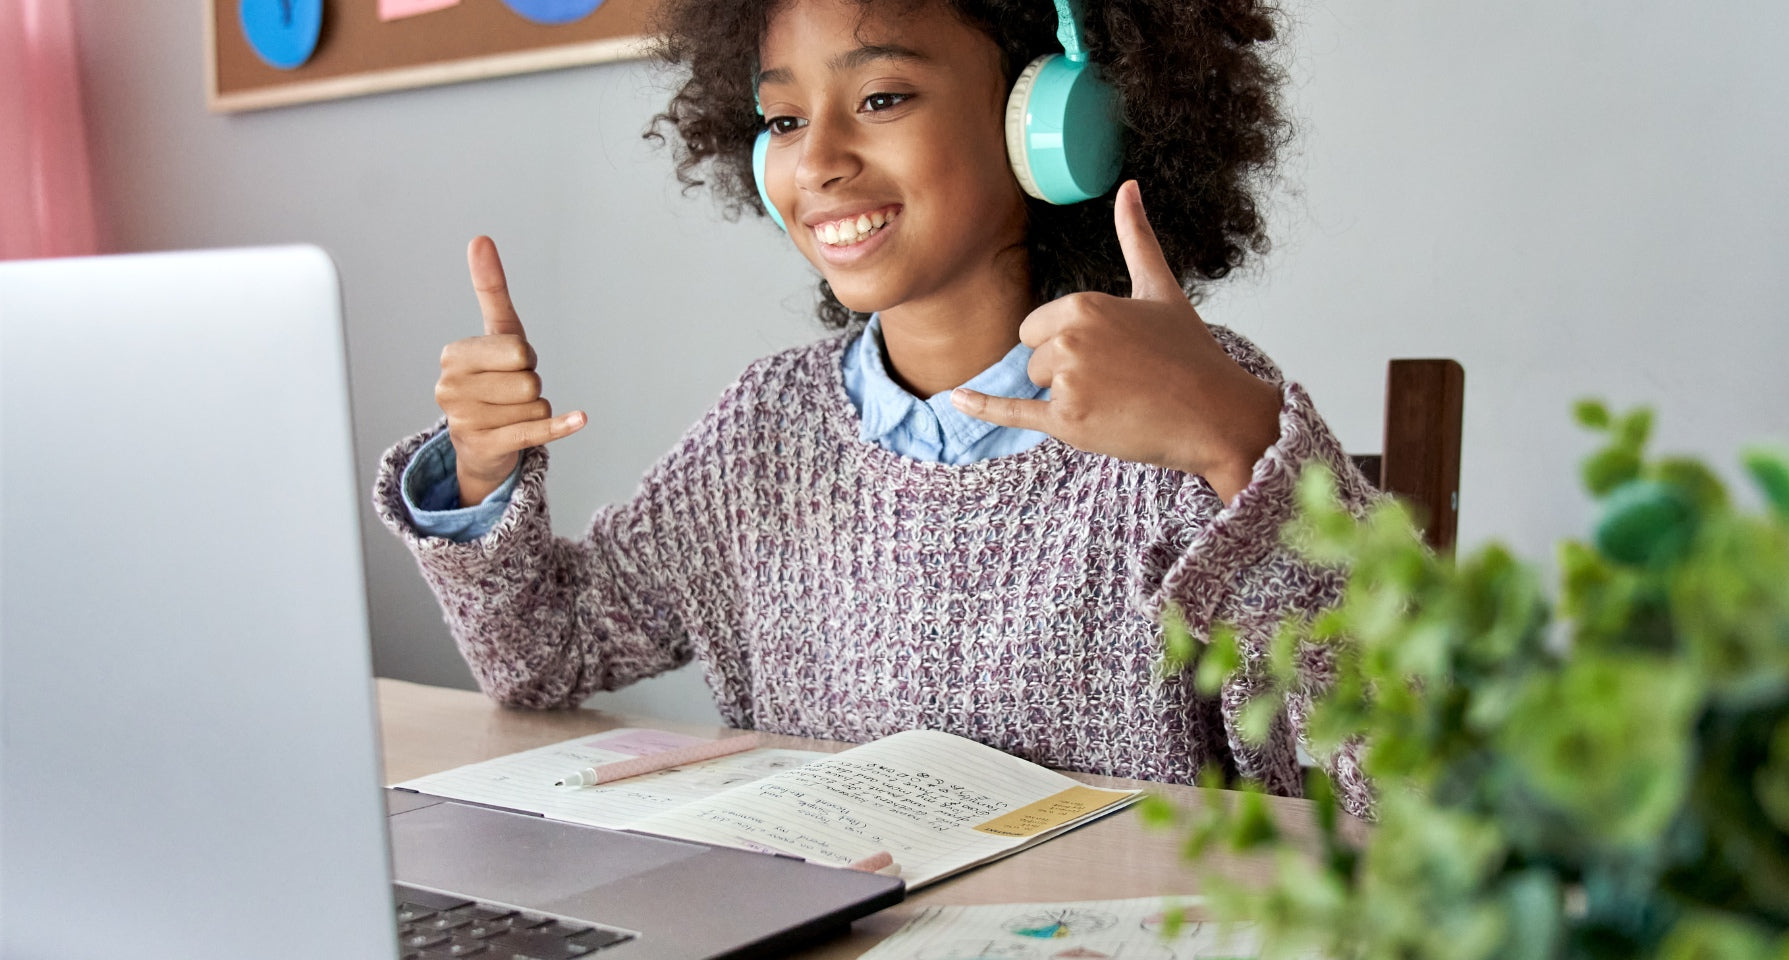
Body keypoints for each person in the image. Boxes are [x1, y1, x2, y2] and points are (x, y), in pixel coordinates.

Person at [373, 0, 1377, 813]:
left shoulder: (1191, 408)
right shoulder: (764, 432)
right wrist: (479, 472)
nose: (817, 162)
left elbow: (1408, 778)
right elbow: (542, 655)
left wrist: (1244, 444)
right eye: (783, 119)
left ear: (1049, 122)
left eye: (884, 97)